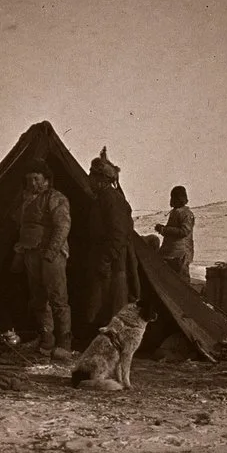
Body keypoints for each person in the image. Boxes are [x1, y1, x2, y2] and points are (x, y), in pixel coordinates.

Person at [73, 148, 141, 346]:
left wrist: (105, 260)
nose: (89, 179)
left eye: (92, 175)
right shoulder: (103, 198)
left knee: (110, 308)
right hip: (105, 261)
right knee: (100, 306)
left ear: (101, 179)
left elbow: (118, 235)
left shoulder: (111, 199)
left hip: (112, 265)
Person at [13, 167, 74, 360]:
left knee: (58, 298)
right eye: (29, 179)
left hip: (51, 255)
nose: (32, 183)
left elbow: (63, 226)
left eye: (36, 178)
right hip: (31, 254)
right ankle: (47, 340)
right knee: (39, 298)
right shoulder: (26, 200)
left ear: (46, 180)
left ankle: (64, 344)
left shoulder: (56, 198)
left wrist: (51, 252)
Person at [154, 186, 196, 275]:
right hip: (171, 252)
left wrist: (164, 230)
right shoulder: (176, 212)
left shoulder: (186, 213)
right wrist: (162, 229)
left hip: (180, 254)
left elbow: (184, 231)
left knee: (181, 279)